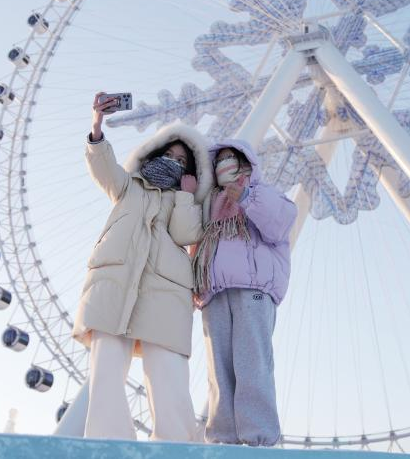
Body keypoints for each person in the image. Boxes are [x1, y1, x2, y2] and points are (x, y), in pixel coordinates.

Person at [54, 93, 213, 441]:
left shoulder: (183, 201)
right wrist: (96, 125)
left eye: (181, 161)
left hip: (166, 294)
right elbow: (102, 166)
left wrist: (186, 196)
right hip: (114, 283)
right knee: (106, 373)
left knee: (168, 376)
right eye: (168, 154)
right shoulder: (128, 187)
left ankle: (176, 447)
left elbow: (186, 234)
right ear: (153, 154)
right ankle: (109, 444)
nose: (173, 162)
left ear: (190, 171)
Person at [192, 139, 297, 446]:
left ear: (247, 164)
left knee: (252, 363)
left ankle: (259, 438)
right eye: (220, 160)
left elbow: (279, 224)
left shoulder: (264, 194)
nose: (225, 164)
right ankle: (223, 439)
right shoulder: (209, 204)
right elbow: (195, 244)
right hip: (214, 293)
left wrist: (247, 197)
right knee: (219, 370)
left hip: (254, 288)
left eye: (232, 159)